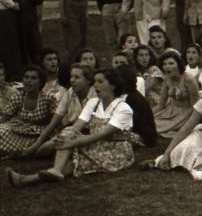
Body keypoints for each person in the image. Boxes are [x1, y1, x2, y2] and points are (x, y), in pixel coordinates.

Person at [6, 68, 135, 187]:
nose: (95, 85)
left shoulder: (123, 108)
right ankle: (54, 171)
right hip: (96, 145)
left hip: (116, 151)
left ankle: (30, 178)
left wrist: (73, 142)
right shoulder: (93, 103)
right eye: (95, 81)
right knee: (69, 133)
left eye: (100, 82)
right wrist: (62, 138)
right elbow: (77, 126)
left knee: (75, 160)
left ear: (113, 85)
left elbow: (102, 135)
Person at [21, 63, 97, 157]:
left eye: (77, 77)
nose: (72, 80)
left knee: (53, 146)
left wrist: (54, 141)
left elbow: (82, 125)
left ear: (88, 81)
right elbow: (54, 122)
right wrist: (36, 145)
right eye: (71, 76)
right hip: (71, 129)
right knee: (45, 148)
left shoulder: (95, 95)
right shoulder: (70, 93)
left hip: (90, 132)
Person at [0, 65, 56, 158]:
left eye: (33, 78)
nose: (28, 81)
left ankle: (20, 151)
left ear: (40, 82)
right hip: (18, 131)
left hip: (39, 134)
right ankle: (14, 152)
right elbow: (4, 118)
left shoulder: (48, 99)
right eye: (26, 77)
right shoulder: (18, 97)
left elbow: (55, 122)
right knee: (2, 131)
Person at [153, 50, 200, 138]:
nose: (167, 67)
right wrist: (147, 114)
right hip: (170, 111)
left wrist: (190, 123)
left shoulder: (189, 80)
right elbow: (161, 105)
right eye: (164, 64)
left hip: (187, 113)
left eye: (171, 63)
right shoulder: (166, 79)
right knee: (150, 122)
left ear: (178, 65)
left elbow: (196, 107)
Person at [5, 0, 44, 67]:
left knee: (36, 49)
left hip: (31, 24)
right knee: (22, 50)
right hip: (18, 25)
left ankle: (38, 68)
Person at [0, 0, 21, 81]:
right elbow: (13, 5)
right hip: (4, 20)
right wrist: (15, 5)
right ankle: (13, 75)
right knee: (9, 48)